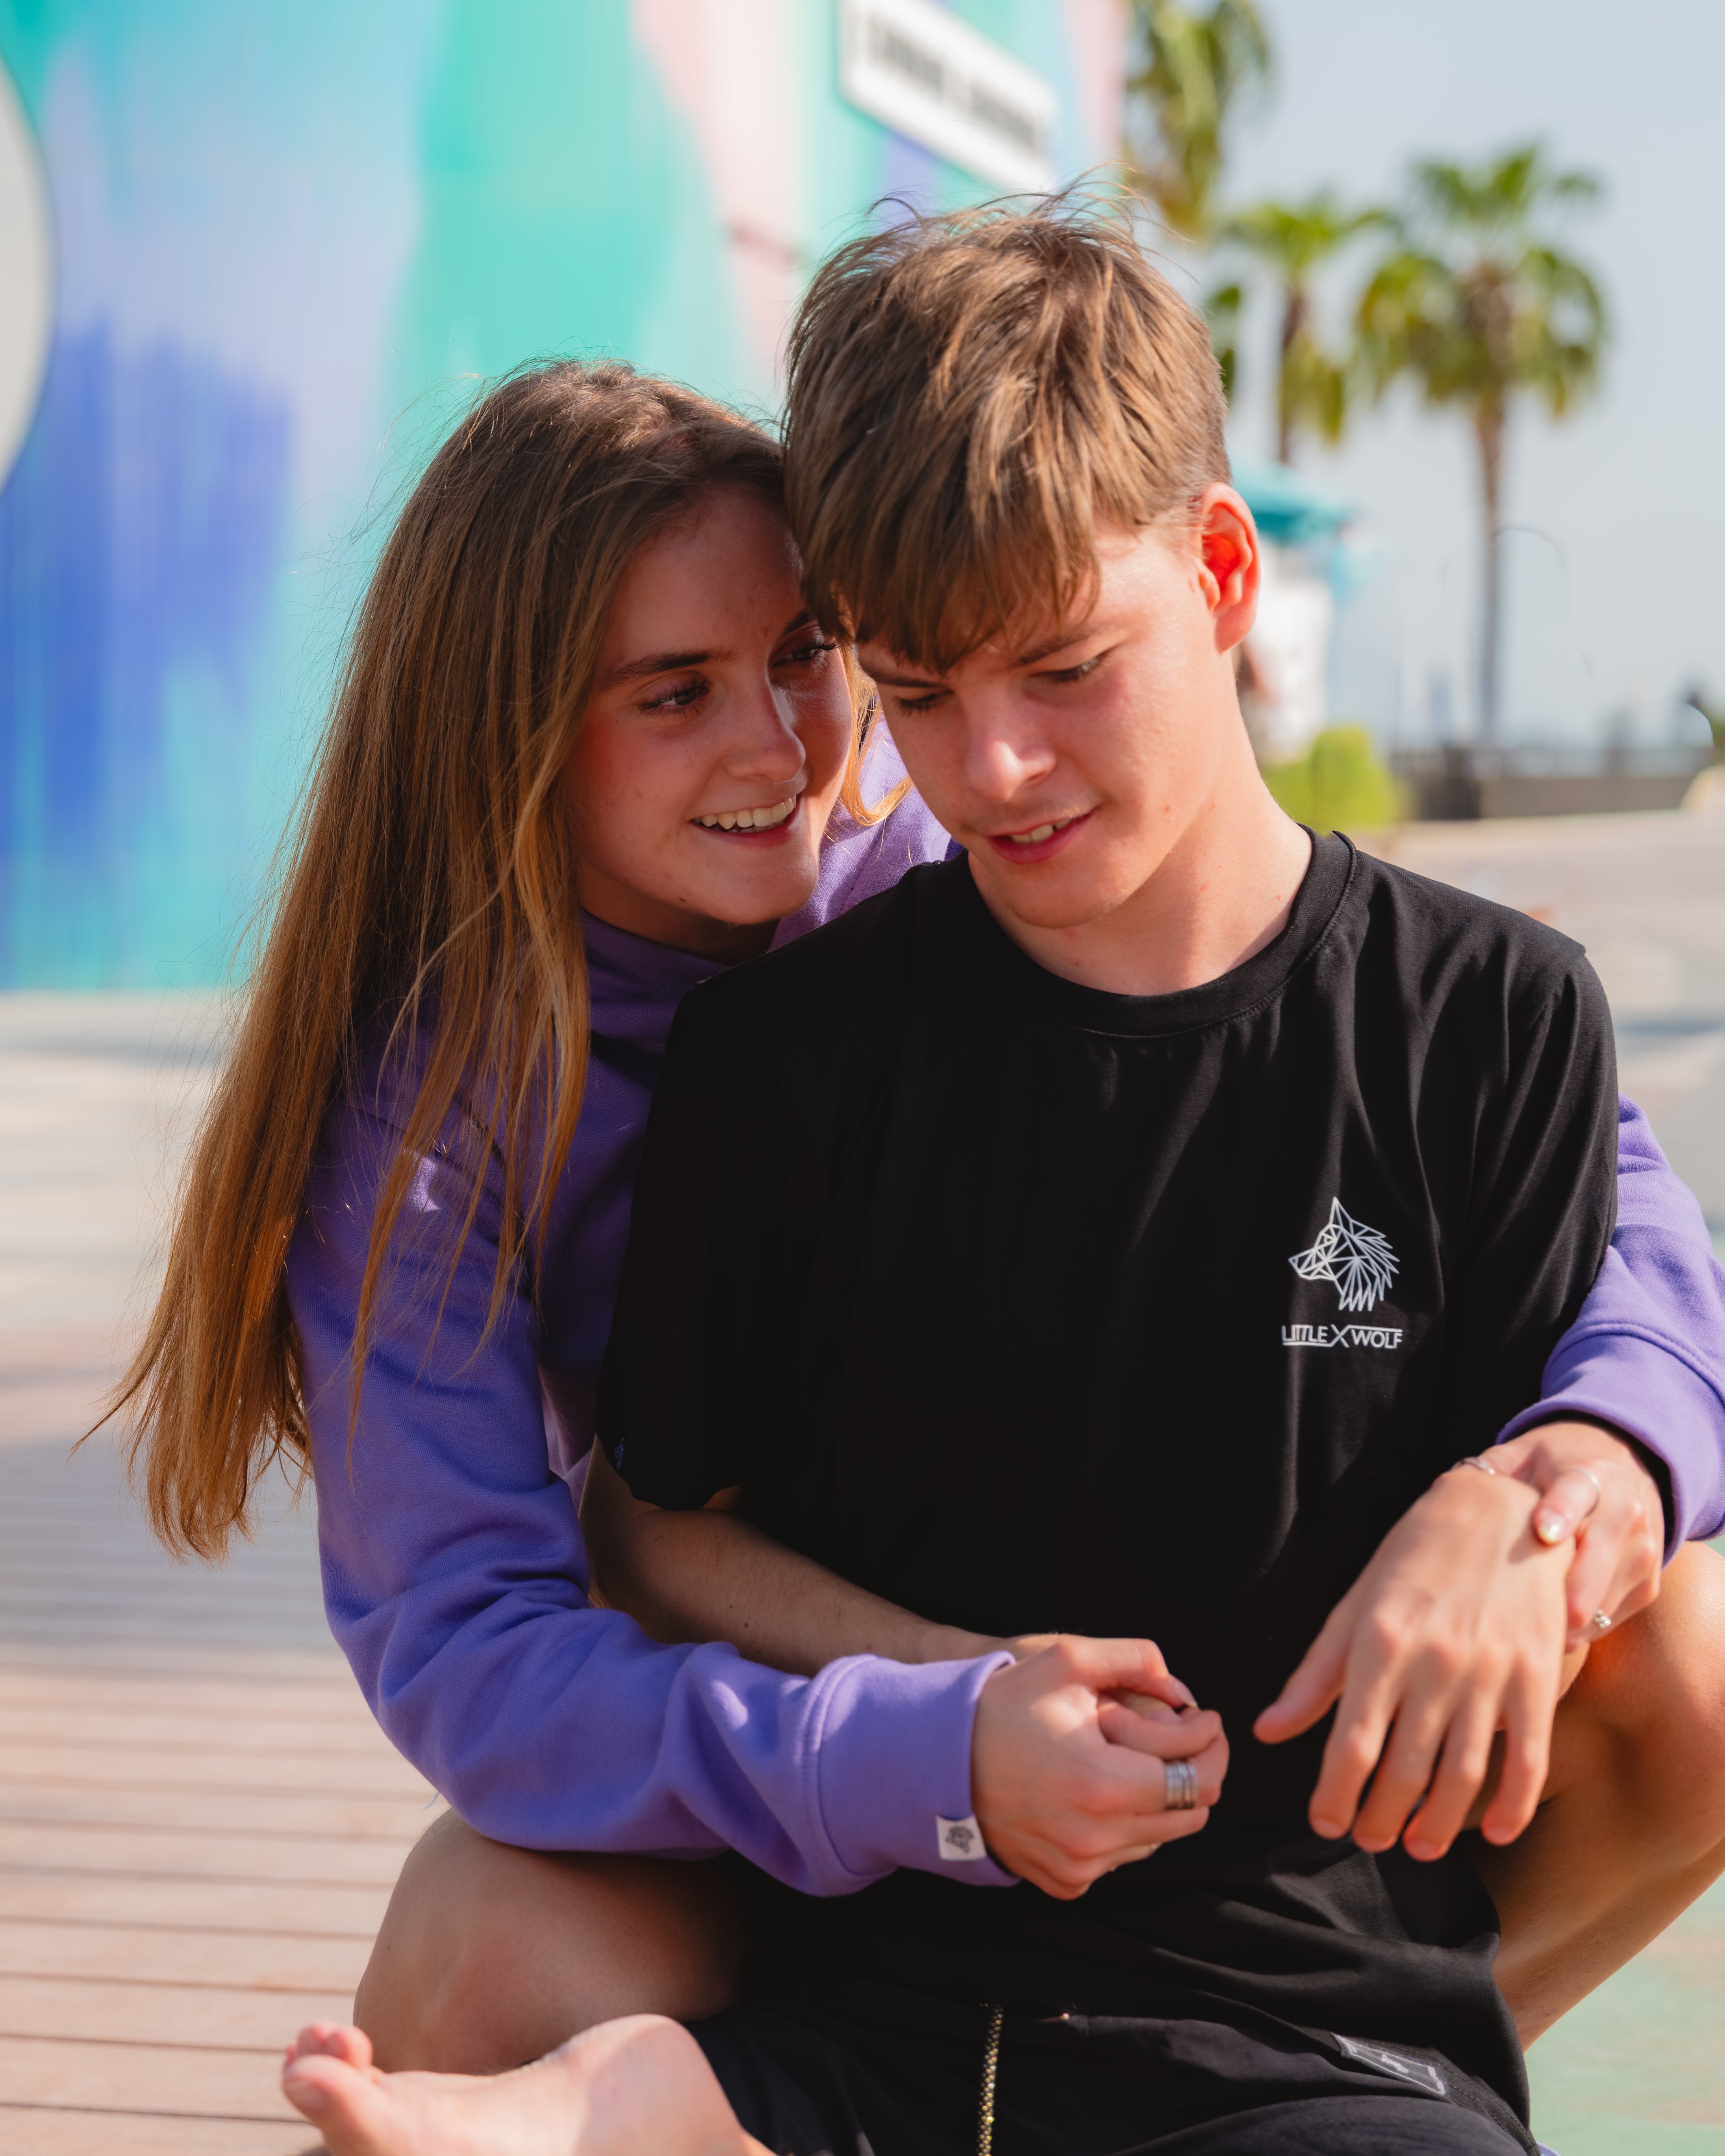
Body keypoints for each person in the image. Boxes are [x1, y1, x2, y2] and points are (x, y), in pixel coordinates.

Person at [120, 341, 1720, 2115]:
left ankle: (1317, 2083)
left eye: (808, 657)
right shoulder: (426, 1121)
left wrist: (1568, 1476)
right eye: (672, 693)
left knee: (1697, 1661)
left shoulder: (942, 854)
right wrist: (930, 1740)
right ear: (508, 727)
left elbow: (1605, 1194)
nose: (785, 745)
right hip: (755, 1762)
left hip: (1166, 1808)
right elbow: (487, 1646)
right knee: (494, 1949)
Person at [569, 202, 1725, 2153]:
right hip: (859, 2017)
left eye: (1062, 667)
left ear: (1217, 569)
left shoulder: (1499, 1021)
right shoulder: (789, 1057)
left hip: (1323, 2041)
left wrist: (1533, 1505)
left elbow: (1632, 1443)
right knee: (491, 2082)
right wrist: (963, 1695)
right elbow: (656, 1526)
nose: (992, 769)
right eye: (917, 694)